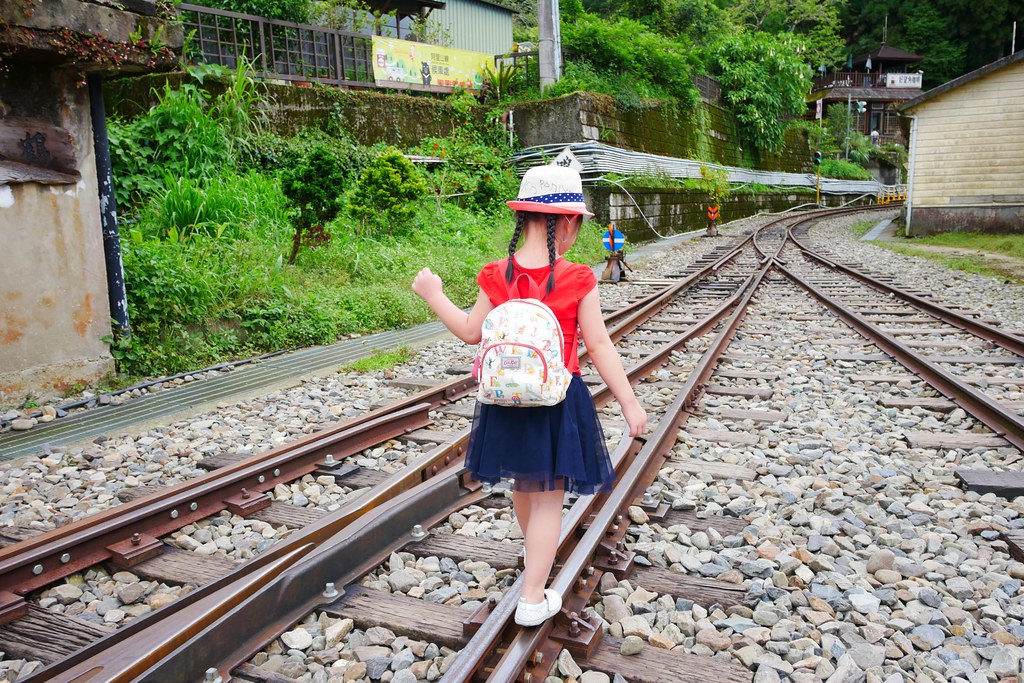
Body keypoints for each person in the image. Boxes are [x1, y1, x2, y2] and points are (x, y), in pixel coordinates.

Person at [411, 165, 647, 626]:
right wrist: (629, 401)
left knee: (526, 485)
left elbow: (469, 331)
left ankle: (535, 556)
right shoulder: (577, 278)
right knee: (548, 499)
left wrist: (432, 293)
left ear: (524, 218)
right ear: (570, 222)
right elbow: (598, 346)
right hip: (557, 402)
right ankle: (533, 597)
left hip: (503, 403)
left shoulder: (498, 274)